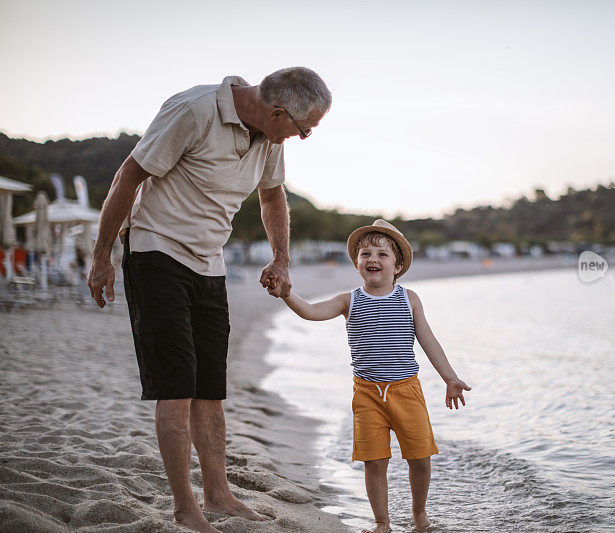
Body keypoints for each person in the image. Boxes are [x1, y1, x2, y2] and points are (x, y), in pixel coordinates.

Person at [87, 68, 332, 533]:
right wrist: (102, 256)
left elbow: (273, 196)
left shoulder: (269, 138)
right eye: (303, 129)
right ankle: (185, 508)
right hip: (157, 249)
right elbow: (128, 176)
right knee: (176, 386)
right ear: (277, 111)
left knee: (209, 388)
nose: (302, 138)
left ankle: (218, 495)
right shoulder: (194, 110)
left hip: (209, 262)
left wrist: (281, 259)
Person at [275, 219, 471, 533]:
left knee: (420, 457)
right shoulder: (348, 301)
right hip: (366, 393)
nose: (373, 259)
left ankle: (420, 517)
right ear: (357, 263)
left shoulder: (409, 299)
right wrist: (286, 294)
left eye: (382, 254)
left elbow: (429, 340)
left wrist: (450, 378)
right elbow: (311, 311)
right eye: (366, 254)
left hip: (407, 390)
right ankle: (382, 523)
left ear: (398, 265)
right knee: (374, 461)